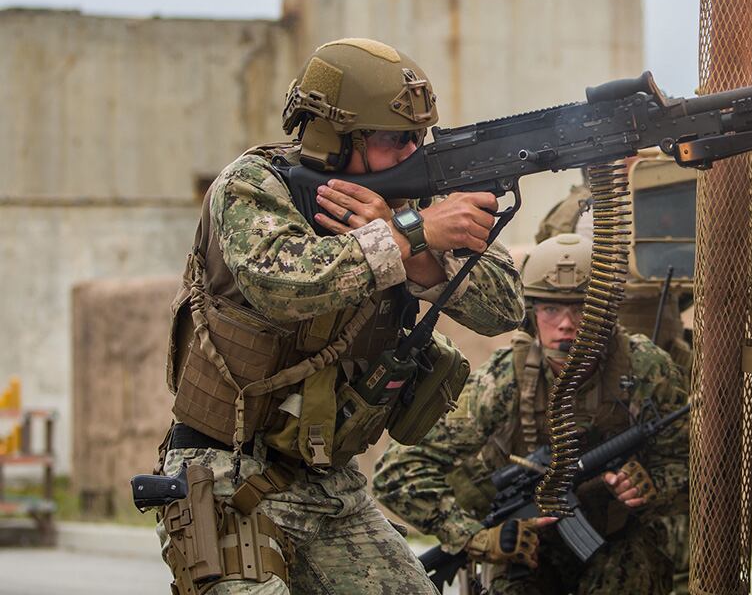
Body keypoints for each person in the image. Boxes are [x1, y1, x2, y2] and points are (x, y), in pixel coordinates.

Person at [155, 38, 525, 595]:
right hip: (225, 476)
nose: (411, 153)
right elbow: (287, 284)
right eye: (393, 139)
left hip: (331, 486)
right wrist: (407, 235)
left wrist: (422, 251)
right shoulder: (253, 186)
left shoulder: (413, 200)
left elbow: (504, 307)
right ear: (334, 137)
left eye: (416, 138)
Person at [374, 232, 689, 595]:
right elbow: (395, 473)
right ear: (531, 314)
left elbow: (695, 469)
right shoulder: (504, 380)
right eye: (551, 309)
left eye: (581, 308)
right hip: (528, 549)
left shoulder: (646, 368)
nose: (567, 325)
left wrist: (654, 486)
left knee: (632, 572)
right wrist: (476, 538)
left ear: (604, 312)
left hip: (617, 540)